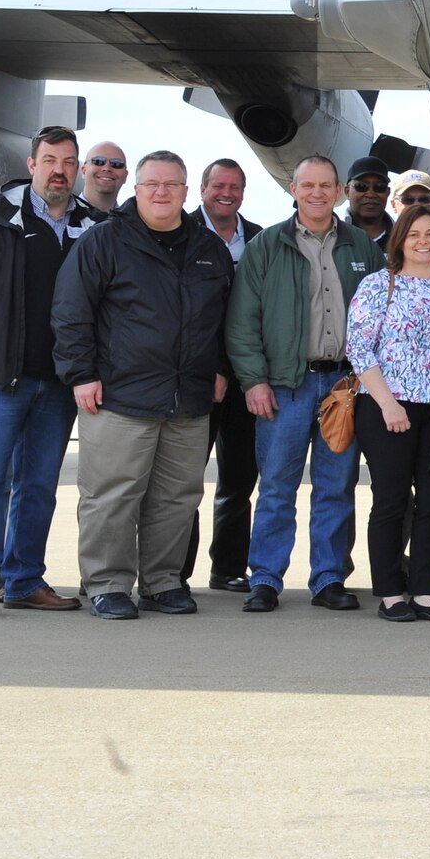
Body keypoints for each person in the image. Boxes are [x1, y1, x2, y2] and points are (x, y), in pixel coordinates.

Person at [53, 151, 234, 619]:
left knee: (176, 498)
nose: (161, 192)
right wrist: (81, 374)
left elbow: (223, 320)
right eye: (152, 183)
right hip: (119, 395)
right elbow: (72, 312)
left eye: (171, 185)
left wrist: (220, 369)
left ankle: (161, 581)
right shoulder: (104, 241)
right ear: (136, 188)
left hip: (188, 399)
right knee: (111, 494)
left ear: (186, 191)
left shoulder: (208, 248)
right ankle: (107, 584)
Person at [0, 125, 106, 618]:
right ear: (32, 165)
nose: (59, 169)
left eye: (69, 161)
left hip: (57, 383)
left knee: (37, 486)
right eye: (50, 159)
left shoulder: (93, 226)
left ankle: (24, 579)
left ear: (78, 169)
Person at [225, 154, 387, 613]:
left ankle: (329, 577)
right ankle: (266, 579)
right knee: (276, 486)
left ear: (338, 192)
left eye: (326, 185)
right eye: (307, 185)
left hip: (344, 388)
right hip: (284, 387)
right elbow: (242, 322)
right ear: (293, 190)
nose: (317, 193)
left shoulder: (362, 247)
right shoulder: (266, 246)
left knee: (336, 487)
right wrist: (253, 381)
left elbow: (382, 317)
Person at [347, 202, 430, 624]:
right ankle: (390, 593)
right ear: (400, 240)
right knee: (390, 501)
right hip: (386, 406)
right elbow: (358, 348)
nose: (424, 241)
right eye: (415, 234)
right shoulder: (378, 285)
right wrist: (388, 404)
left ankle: (425, 591)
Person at [185, 157, 261, 591]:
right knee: (184, 483)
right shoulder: (184, 234)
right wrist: (212, 367)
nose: (226, 193)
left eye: (234, 186)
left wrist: (242, 372)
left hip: (246, 379)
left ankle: (228, 568)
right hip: (197, 378)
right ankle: (174, 571)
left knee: (238, 481)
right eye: (219, 185)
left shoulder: (261, 239)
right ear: (203, 189)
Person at [344, 155, 394, 245]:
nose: (371, 194)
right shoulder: (331, 238)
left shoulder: (405, 239)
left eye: (379, 187)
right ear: (347, 191)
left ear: (388, 192)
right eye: (361, 186)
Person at [79, 140, 128, 213]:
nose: (107, 168)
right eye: (98, 161)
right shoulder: (61, 216)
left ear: (125, 176)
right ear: (84, 171)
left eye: (116, 164)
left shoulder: (133, 223)